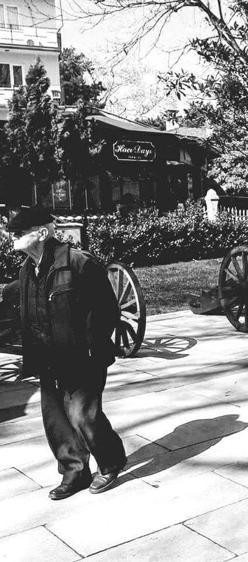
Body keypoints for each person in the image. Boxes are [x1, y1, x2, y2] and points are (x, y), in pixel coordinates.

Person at [5, 207, 126, 500]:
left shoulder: (79, 262)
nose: (13, 238)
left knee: (83, 415)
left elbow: (107, 310)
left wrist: (91, 346)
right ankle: (75, 473)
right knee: (56, 420)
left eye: (19, 233)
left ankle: (110, 462)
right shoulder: (26, 270)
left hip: (83, 356)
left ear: (41, 233)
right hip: (48, 358)